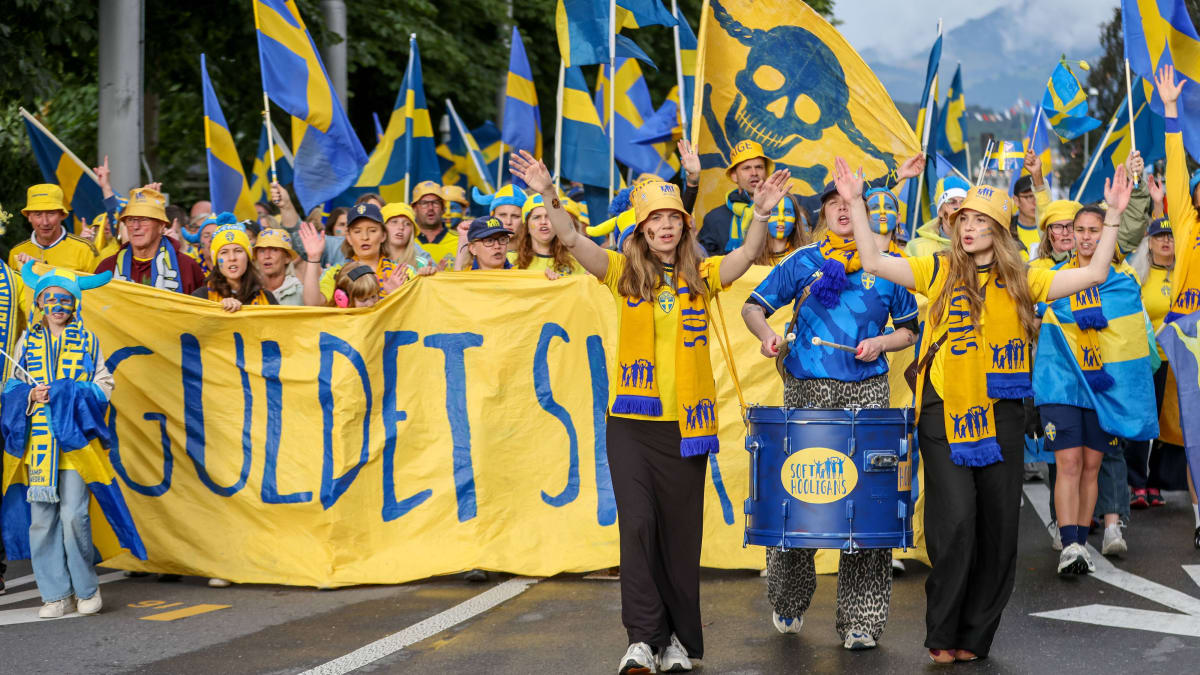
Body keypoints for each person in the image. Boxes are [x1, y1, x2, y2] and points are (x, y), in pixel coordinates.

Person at [843, 155, 1132, 663]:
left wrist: (1112, 215)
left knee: (999, 531)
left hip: (1002, 413)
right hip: (944, 410)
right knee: (956, 523)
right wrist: (854, 202)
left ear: (998, 230)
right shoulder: (936, 268)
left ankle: (974, 636)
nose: (969, 227)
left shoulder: (1025, 278)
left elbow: (1094, 272)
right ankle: (943, 632)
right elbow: (874, 261)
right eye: (964, 220)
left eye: (980, 220)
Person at [511, 148, 786, 674]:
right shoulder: (620, 272)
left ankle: (677, 642)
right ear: (641, 228)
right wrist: (547, 192)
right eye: (655, 218)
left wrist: (760, 213)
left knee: (680, 536)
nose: (665, 226)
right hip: (632, 427)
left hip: (686, 427)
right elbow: (572, 239)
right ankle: (642, 639)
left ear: (684, 226)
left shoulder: (703, 274)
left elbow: (747, 255)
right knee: (638, 526)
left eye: (673, 218)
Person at [741, 178, 918, 651]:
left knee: (868, 511)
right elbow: (753, 307)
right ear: (823, 212)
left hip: (868, 394)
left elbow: (909, 330)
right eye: (834, 204)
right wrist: (767, 336)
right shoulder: (804, 261)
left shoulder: (889, 266)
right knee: (800, 498)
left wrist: (881, 343)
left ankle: (861, 620)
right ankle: (789, 597)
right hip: (807, 392)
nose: (842, 210)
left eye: (850, 203)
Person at [1, 264, 145, 618]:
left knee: (74, 516)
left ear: (75, 303)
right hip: (39, 447)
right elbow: (11, 386)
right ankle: (55, 595)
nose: (58, 305)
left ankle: (86, 589)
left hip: (76, 443)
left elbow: (104, 386)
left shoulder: (89, 340)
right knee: (41, 521)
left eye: (65, 299)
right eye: (50, 298)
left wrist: (69, 391)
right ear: (40, 302)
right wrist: (30, 395)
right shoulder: (26, 341)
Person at [1034, 204, 1153, 570]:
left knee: (1091, 466)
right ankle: (1070, 543)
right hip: (1060, 383)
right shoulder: (1052, 278)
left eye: (1093, 230)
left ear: (1105, 234)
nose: (1085, 237)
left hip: (1102, 387)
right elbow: (1029, 317)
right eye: (1080, 230)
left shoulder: (1121, 281)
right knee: (1068, 462)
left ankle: (1081, 542)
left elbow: (1131, 341)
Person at [1155, 65, 1200, 546]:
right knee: (1194, 431)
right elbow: (1176, 170)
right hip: (1189, 340)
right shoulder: (1186, 223)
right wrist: (1171, 111)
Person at [1127, 217, 1185, 509]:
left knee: (1170, 424)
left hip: (1180, 360)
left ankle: (1156, 482)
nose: (1166, 241)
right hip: (1148, 360)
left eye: (1171, 236)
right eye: (1160, 236)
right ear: (1149, 242)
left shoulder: (1185, 274)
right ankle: (1136, 482)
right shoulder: (1137, 275)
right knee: (1145, 420)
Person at [95, 187, 206, 295]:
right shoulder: (107, 267)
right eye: (130, 220)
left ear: (161, 226)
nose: (136, 226)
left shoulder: (186, 267)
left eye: (144, 220)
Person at [298, 204, 405, 306]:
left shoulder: (402, 272)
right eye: (357, 231)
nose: (365, 237)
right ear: (348, 237)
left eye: (372, 231)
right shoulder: (336, 273)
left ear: (383, 236)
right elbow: (313, 303)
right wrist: (313, 258)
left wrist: (397, 295)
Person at [9, 184, 101, 272]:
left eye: (51, 213)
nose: (45, 222)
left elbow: (101, 283)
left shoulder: (85, 250)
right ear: (29, 217)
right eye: (38, 214)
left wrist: (40, 268)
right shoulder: (16, 253)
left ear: (62, 215)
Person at [192, 224, 277, 311]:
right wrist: (219, 309)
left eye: (238, 251)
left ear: (248, 257)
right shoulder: (201, 298)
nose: (232, 258)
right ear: (216, 259)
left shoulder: (267, 297)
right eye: (224, 252)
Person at [512, 194, 583, 277]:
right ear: (526, 227)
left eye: (549, 216)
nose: (543, 222)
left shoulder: (577, 262)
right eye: (536, 217)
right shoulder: (509, 260)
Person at [904, 176, 968, 257]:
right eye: (951, 202)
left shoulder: (977, 248)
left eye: (963, 202)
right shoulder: (917, 248)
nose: (958, 207)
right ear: (940, 211)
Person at [1009, 150, 1051, 251]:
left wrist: (1037, 174)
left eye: (1037, 197)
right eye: (1028, 197)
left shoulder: (1052, 231)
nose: (1035, 202)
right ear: (1016, 200)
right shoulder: (1006, 230)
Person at [412, 181, 458, 268]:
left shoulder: (459, 241)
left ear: (443, 208)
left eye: (435, 203)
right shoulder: (406, 242)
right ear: (414, 209)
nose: (430, 208)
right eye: (424, 203)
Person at [254, 228, 305, 306]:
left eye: (274, 250)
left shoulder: (302, 293)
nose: (267, 256)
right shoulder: (248, 291)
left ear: (287, 258)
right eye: (262, 251)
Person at [382, 202, 433, 274]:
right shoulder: (372, 260)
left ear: (412, 231)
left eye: (407, 224)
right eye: (394, 222)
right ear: (382, 228)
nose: (401, 227)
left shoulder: (423, 264)